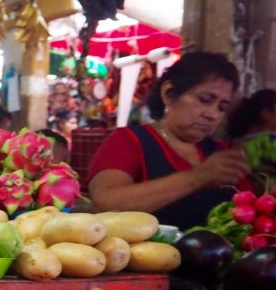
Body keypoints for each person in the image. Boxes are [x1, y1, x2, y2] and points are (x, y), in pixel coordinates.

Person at [87, 51, 250, 230]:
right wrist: (198, 177)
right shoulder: (128, 141)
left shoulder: (219, 153)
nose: (213, 114)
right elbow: (105, 204)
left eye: (222, 107)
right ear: (169, 93)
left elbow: (249, 212)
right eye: (204, 100)